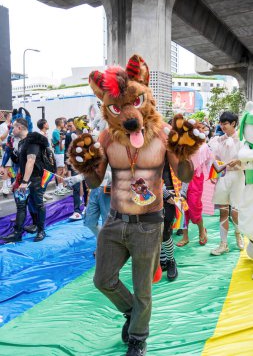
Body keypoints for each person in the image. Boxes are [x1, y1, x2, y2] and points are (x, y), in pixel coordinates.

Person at [68, 55, 203, 356]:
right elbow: (93, 183)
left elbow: (184, 175)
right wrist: (86, 164)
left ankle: (138, 338)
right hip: (115, 221)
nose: (130, 115)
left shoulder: (165, 134)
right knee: (103, 279)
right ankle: (131, 313)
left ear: (145, 96)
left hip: (148, 223)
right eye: (117, 108)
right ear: (108, 108)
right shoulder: (106, 137)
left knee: (144, 288)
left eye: (136, 102)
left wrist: (185, 152)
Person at [1, 118, 48, 243]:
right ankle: (17, 233)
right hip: (24, 180)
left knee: (38, 204)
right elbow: (20, 162)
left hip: (35, 179)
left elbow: (31, 161)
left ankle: (41, 230)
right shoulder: (21, 143)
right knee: (21, 206)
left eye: (14, 128)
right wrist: (11, 151)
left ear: (20, 128)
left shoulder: (32, 141)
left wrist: (25, 182)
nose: (12, 130)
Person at [209, 111, 245, 256]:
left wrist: (238, 162)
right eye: (221, 123)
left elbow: (247, 162)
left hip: (237, 177)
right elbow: (215, 160)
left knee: (236, 212)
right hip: (223, 177)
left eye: (225, 123)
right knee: (223, 211)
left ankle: (238, 234)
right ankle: (223, 244)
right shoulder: (217, 141)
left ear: (233, 124)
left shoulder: (242, 141)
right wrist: (215, 168)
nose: (222, 126)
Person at [65, 118, 88, 220]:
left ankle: (87, 207)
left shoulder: (88, 134)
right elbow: (67, 151)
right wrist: (68, 166)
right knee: (76, 187)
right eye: (69, 125)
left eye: (71, 125)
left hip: (87, 163)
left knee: (87, 185)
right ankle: (77, 211)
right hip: (76, 164)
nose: (70, 127)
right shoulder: (69, 135)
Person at [51, 118, 68, 196]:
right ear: (59, 123)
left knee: (62, 170)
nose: (64, 123)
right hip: (58, 153)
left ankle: (61, 187)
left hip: (62, 152)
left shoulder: (60, 131)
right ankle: (58, 188)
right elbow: (59, 141)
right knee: (59, 170)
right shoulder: (55, 132)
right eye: (62, 122)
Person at [0, 112, 12, 195]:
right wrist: (8, 129)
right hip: (5, 148)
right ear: (7, 117)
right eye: (11, 115)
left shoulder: (14, 124)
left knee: (10, 167)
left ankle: (8, 184)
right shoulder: (2, 126)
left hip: (13, 148)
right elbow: (1, 138)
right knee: (6, 167)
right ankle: (4, 186)